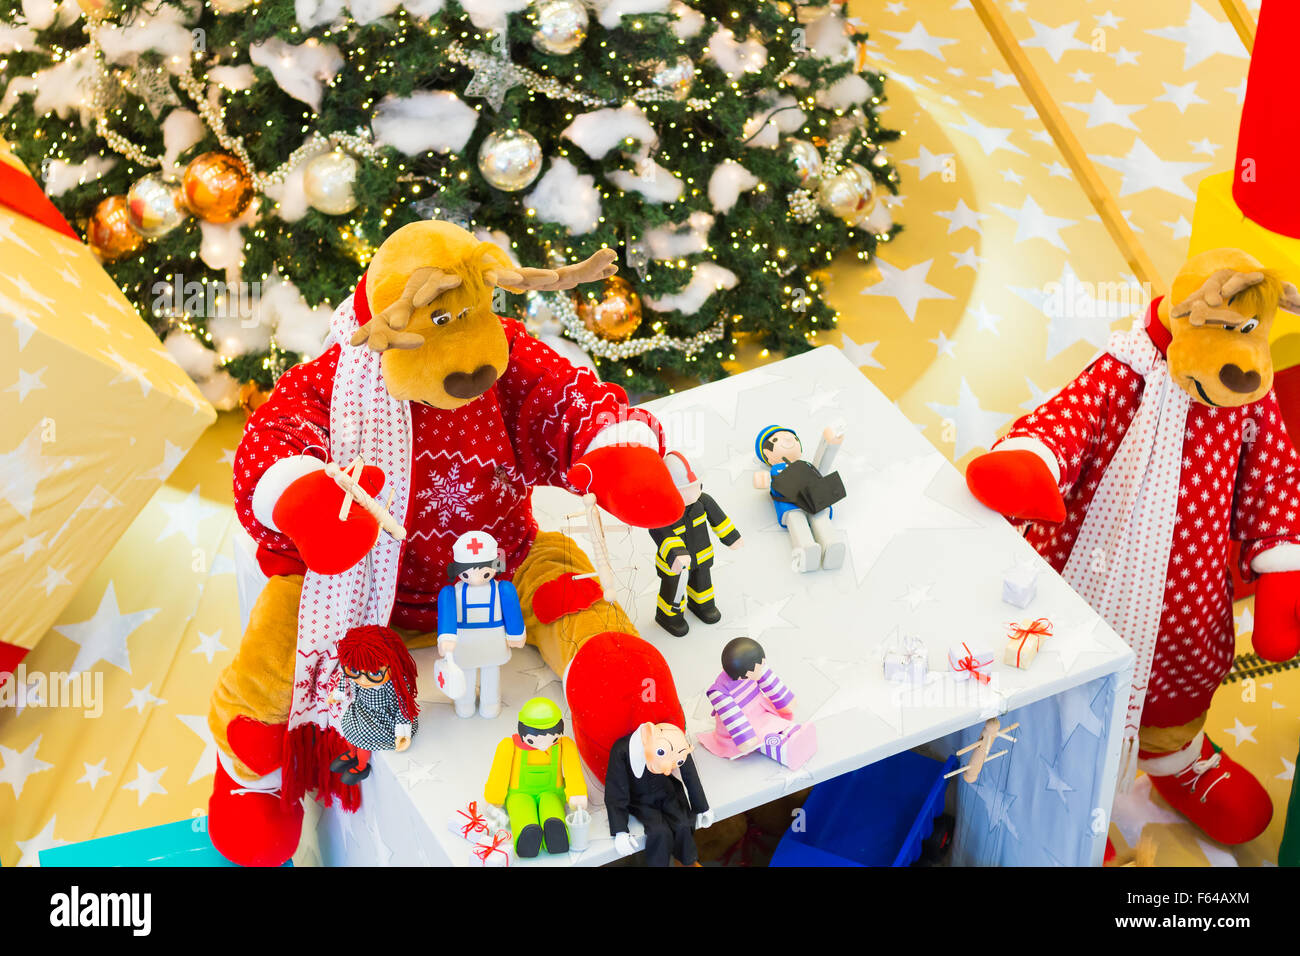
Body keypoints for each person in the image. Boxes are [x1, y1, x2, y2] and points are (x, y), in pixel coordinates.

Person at [648, 451, 743, 636]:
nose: (694, 493)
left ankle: (703, 606)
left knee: (703, 585)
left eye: (696, 486)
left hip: (701, 557)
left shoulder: (703, 501)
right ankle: (668, 616)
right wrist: (676, 554)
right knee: (673, 591)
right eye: (686, 489)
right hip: (675, 565)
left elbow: (719, 519)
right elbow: (661, 533)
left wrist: (731, 538)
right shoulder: (663, 511)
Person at [437, 530, 526, 718]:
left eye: (483, 572)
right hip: (464, 642)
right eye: (468, 573)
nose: (476, 578)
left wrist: (515, 634)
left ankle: (490, 703)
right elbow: (448, 616)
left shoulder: (503, 589)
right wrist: (446, 638)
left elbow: (512, 612)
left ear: (495, 566)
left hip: (492, 640)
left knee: (491, 674)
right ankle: (464, 702)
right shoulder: (452, 593)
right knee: (465, 674)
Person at [484, 697, 587, 857]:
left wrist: (577, 793)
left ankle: (556, 836)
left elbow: (572, 769)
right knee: (523, 814)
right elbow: (500, 771)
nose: (544, 745)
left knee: (553, 813)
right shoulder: (509, 746)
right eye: (536, 739)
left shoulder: (564, 745)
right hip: (519, 795)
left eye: (553, 738)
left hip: (551, 793)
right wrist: (495, 796)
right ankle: (527, 837)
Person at [605, 721, 713, 867]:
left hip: (667, 790)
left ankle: (687, 861)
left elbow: (689, 773)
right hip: (640, 798)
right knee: (659, 832)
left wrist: (701, 806)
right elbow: (615, 791)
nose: (668, 770)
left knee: (684, 823)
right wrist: (620, 830)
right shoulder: (622, 750)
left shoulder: (674, 739)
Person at [699, 637, 816, 769]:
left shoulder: (755, 666)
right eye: (757, 670)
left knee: (777, 723)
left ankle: (798, 734)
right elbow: (734, 719)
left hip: (760, 709)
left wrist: (785, 703)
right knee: (763, 737)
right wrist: (746, 738)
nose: (761, 671)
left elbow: (773, 686)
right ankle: (786, 750)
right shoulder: (719, 691)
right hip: (743, 721)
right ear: (744, 674)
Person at [328, 626, 420, 785]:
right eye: (354, 670)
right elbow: (345, 679)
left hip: (384, 718)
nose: (362, 680)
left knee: (363, 738)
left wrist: (402, 732)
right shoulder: (353, 673)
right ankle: (351, 754)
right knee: (348, 728)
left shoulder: (396, 684)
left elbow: (403, 707)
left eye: (375, 674)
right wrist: (338, 694)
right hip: (361, 710)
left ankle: (362, 766)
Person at [752, 424, 845, 572]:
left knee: (821, 519)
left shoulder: (806, 464)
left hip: (815, 499)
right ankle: (806, 550)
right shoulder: (777, 469)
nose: (789, 439)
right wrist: (761, 478)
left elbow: (820, 469)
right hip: (791, 504)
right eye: (776, 440)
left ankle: (832, 546)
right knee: (797, 523)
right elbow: (766, 481)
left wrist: (829, 445)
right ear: (767, 454)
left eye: (794, 438)